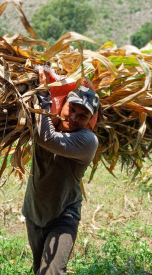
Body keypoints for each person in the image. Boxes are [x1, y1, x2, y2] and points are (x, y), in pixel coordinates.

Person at [22, 85, 100, 275]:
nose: (73, 118)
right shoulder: (45, 122)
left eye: (82, 116)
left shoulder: (87, 141)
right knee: (39, 269)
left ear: (91, 120)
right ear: (62, 104)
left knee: (52, 272)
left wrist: (44, 97)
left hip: (64, 214)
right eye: (71, 109)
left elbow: (46, 139)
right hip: (34, 211)